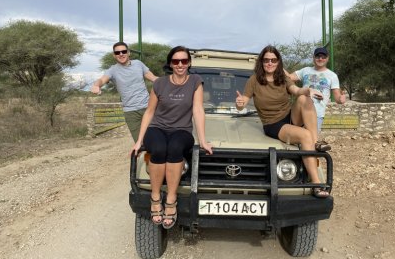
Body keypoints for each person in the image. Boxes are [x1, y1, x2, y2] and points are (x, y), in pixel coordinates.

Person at [131, 46, 213, 229]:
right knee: (158, 149)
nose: (180, 65)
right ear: (170, 63)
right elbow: (150, 111)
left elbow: (198, 110)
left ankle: (171, 199)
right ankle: (155, 197)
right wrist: (138, 141)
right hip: (157, 128)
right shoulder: (160, 83)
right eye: (176, 61)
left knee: (175, 148)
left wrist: (203, 140)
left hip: (182, 130)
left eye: (184, 61)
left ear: (189, 63)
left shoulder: (195, 81)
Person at [235, 45, 329, 198]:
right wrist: (239, 104)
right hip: (273, 124)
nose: (270, 63)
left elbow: (296, 91)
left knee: (304, 98)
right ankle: (317, 184)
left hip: (289, 116)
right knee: (305, 136)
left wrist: (308, 90)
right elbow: (243, 101)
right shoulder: (254, 80)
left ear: (278, 61)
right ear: (262, 62)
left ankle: (315, 142)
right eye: (266, 60)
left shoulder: (283, 78)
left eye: (273, 60)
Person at [90, 41, 158, 142]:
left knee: (156, 140)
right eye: (117, 53)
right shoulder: (113, 70)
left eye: (123, 51)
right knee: (141, 144)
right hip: (131, 113)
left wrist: (171, 82)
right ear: (114, 55)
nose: (121, 54)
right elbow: (101, 80)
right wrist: (96, 85)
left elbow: (153, 78)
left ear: (128, 52)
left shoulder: (138, 64)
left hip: (148, 108)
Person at [287, 47, 345, 138]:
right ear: (313, 57)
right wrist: (278, 65)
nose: (320, 59)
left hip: (317, 114)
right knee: (294, 142)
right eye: (318, 56)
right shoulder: (305, 70)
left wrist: (341, 99)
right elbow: (289, 78)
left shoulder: (332, 76)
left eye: (323, 56)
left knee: (311, 141)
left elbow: (337, 96)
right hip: (300, 111)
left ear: (327, 58)